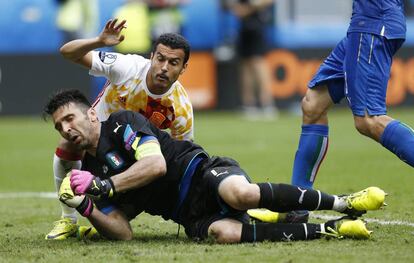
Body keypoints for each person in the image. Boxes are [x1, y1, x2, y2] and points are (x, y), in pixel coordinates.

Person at [43, 90, 387, 243]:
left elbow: (156, 165)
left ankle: (342, 203)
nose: (66, 129)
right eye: (59, 126)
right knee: (224, 234)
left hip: (200, 172)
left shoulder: (121, 123)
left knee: (240, 194)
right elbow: (122, 231)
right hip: (186, 213)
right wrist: (86, 207)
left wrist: (105, 187)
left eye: (69, 118)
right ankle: (328, 230)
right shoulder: (90, 173)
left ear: (90, 113)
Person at [45, 19, 194, 240]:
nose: (163, 68)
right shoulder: (128, 67)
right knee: (67, 143)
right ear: (151, 57)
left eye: (173, 63)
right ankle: (68, 218)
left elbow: (184, 154)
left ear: (183, 68)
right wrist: (98, 41)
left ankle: (111, 217)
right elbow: (68, 53)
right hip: (97, 132)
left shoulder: (180, 109)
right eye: (160, 59)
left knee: (132, 193)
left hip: (133, 148)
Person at [286, 0, 410, 222]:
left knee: (368, 120)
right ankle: (298, 203)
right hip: (367, 22)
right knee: (313, 104)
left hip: (373, 22)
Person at [227, 0, 278, 120]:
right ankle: (249, 105)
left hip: (257, 27)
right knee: (245, 66)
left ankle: (267, 104)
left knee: (258, 64)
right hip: (244, 29)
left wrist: (251, 7)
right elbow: (236, 9)